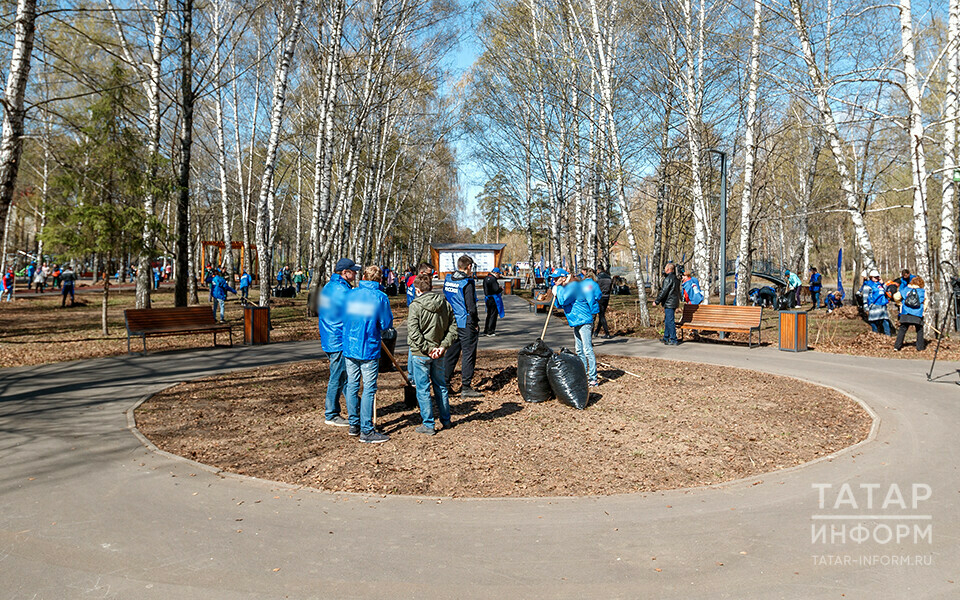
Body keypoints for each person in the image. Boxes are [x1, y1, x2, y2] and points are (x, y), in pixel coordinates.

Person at [342, 265, 393, 443]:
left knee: (352, 385)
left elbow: (343, 316)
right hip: (368, 347)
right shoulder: (380, 297)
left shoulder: (351, 294)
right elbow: (386, 323)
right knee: (369, 388)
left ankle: (354, 424)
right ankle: (366, 430)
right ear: (379, 280)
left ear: (364, 276)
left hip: (350, 345)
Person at [407, 274, 457, 435]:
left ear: (417, 289)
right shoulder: (444, 303)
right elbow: (453, 328)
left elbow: (413, 332)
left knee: (422, 389)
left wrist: (429, 348)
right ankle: (446, 420)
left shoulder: (415, 306)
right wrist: (442, 346)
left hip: (421, 352)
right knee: (440, 386)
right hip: (437, 350)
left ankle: (428, 424)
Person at [318, 258, 361, 429]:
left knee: (343, 375)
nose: (355, 274)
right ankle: (332, 413)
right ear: (345, 273)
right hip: (337, 338)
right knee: (338, 375)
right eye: (353, 271)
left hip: (330, 336)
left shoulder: (330, 287)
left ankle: (355, 406)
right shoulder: (341, 291)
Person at [444, 255, 483, 398]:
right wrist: (475, 322)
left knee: (451, 353)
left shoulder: (449, 279)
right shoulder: (467, 282)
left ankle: (445, 383)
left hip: (452, 321)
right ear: (469, 266)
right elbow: (471, 306)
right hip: (466, 322)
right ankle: (466, 386)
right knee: (468, 354)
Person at [555, 269, 602, 386]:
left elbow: (563, 300)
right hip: (577, 321)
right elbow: (559, 304)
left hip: (583, 321)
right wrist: (556, 293)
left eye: (556, 278)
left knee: (587, 350)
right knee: (579, 350)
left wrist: (559, 289)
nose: (554, 280)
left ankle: (593, 378)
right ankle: (584, 374)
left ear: (563, 278)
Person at [893, 276, 926, 351]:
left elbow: (896, 296)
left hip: (906, 312)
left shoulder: (905, 289)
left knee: (902, 329)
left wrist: (900, 304)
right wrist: (923, 311)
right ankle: (920, 347)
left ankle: (897, 346)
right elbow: (926, 302)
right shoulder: (922, 291)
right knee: (919, 329)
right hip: (917, 313)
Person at [654, 262, 681, 345]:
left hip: (669, 302)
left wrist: (657, 301)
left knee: (670, 321)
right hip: (673, 302)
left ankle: (673, 339)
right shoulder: (676, 279)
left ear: (668, 269)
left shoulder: (668, 279)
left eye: (665, 268)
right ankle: (666, 337)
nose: (664, 269)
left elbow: (664, 291)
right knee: (667, 320)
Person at [861, 270, 892, 336]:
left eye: (877, 277)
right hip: (873, 306)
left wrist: (882, 283)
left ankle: (888, 336)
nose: (877, 278)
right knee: (874, 322)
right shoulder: (867, 286)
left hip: (882, 306)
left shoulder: (880, 285)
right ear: (871, 277)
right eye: (875, 277)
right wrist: (866, 307)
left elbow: (886, 291)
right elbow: (865, 297)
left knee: (885, 322)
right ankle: (875, 336)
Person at [482, 267, 504, 336]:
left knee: (489, 314)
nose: (499, 276)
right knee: (493, 315)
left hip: (488, 298)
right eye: (498, 274)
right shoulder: (493, 279)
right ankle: (490, 331)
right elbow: (496, 290)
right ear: (496, 273)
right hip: (494, 299)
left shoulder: (486, 278)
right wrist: (501, 289)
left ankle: (486, 329)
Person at [594, 264, 613, 339]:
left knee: (601, 315)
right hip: (607, 296)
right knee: (602, 314)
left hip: (600, 297)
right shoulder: (609, 277)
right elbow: (611, 287)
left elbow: (596, 288)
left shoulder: (598, 278)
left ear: (598, 270)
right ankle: (597, 331)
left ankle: (607, 332)